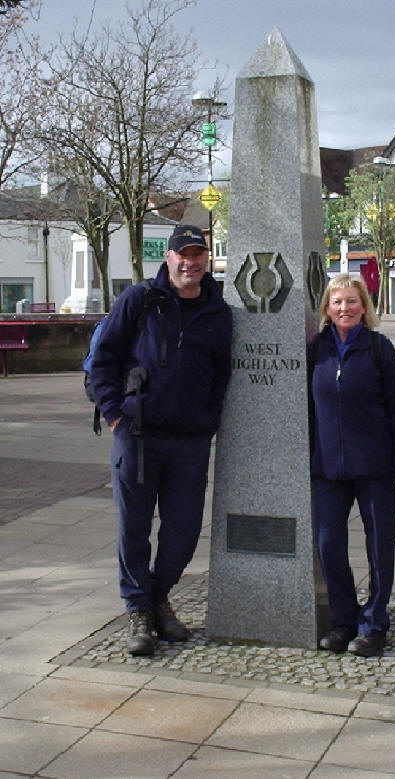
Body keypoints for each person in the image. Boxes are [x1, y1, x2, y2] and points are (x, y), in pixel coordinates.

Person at [90, 224, 232, 656]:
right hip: (137, 435)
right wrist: (114, 414)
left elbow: (221, 373)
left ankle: (158, 594)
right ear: (168, 258)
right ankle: (139, 611)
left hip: (189, 440)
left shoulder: (218, 311)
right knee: (134, 526)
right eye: (181, 254)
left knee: (184, 531)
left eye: (197, 254)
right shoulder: (140, 300)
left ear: (206, 259)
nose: (190, 262)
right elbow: (104, 359)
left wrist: (208, 418)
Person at [308, 274, 395, 657]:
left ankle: (374, 624)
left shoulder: (378, 348)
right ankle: (345, 620)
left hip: (375, 468)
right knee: (328, 545)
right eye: (337, 302)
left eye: (352, 301)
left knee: (379, 548)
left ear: (364, 306)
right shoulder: (316, 350)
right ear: (326, 308)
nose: (345, 309)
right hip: (328, 470)